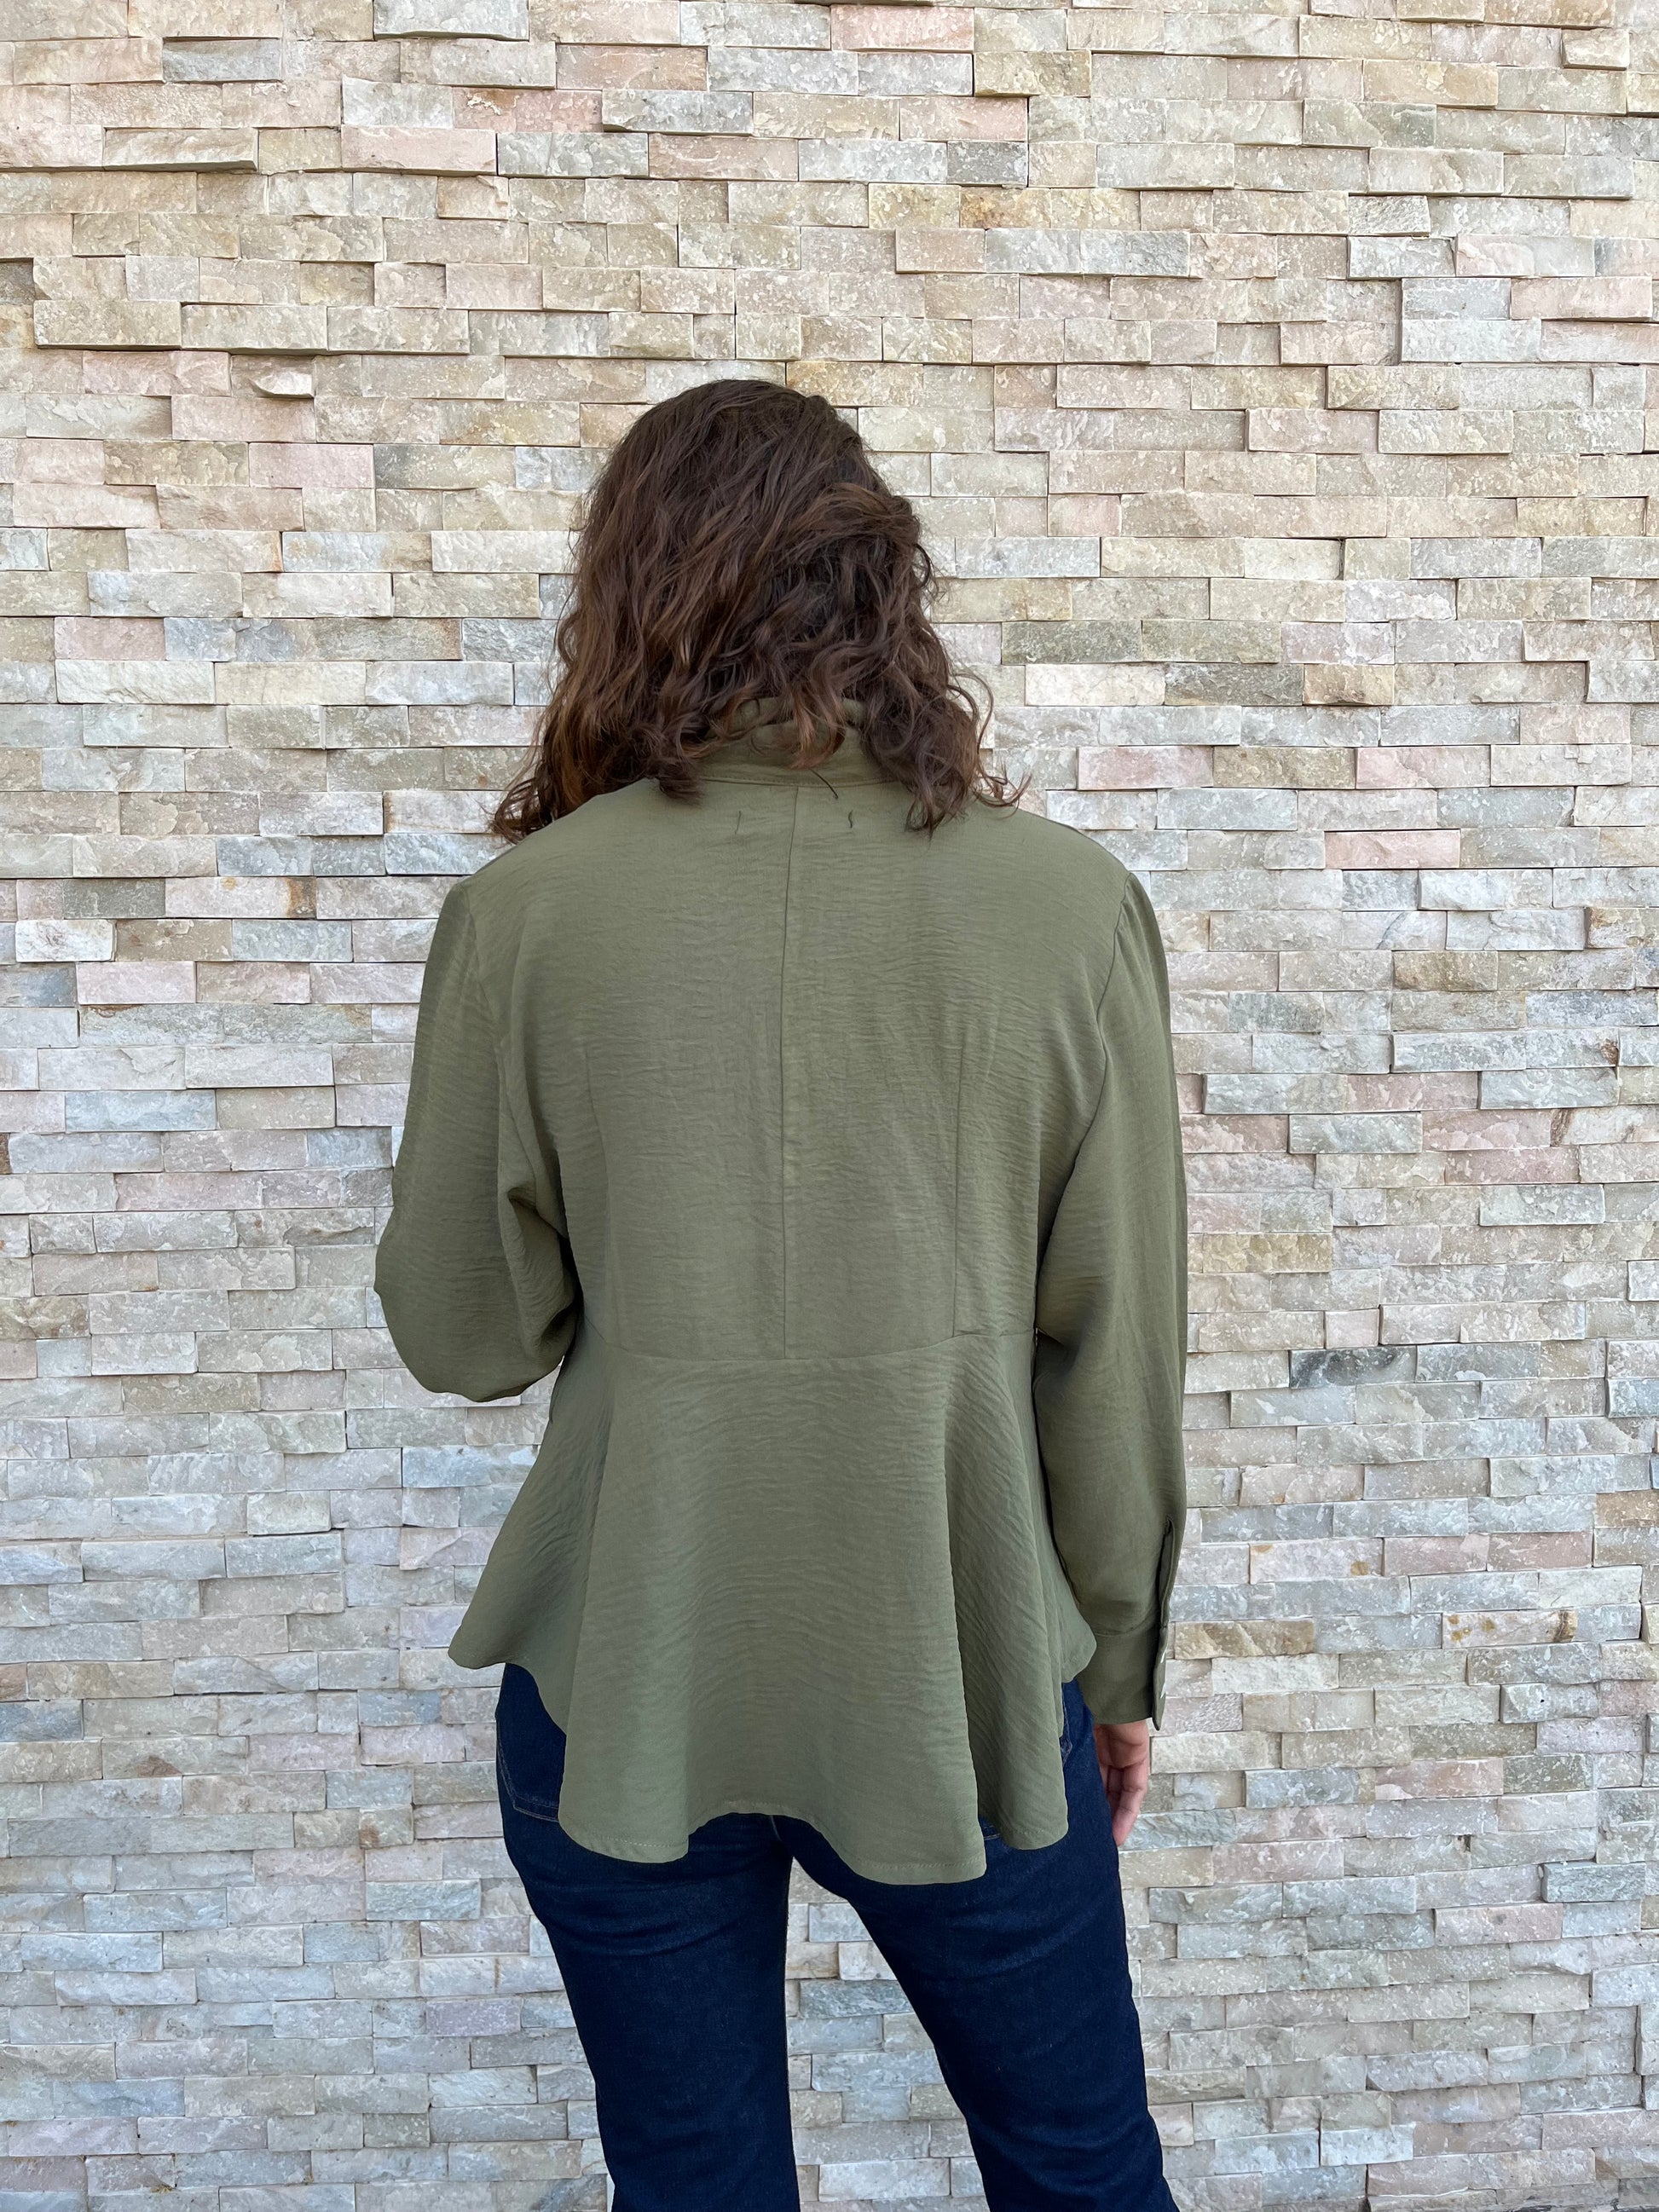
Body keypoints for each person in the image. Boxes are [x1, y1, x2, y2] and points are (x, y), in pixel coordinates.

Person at [374, 377, 1189, 2212]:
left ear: (626, 595)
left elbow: (465, 1333)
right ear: (884, 590)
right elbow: (1115, 1354)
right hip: (961, 1671)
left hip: (630, 1673)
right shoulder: (1069, 910)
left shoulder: (528, 917)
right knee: (1078, 2169)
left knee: (694, 2186)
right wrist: (1116, 1661)